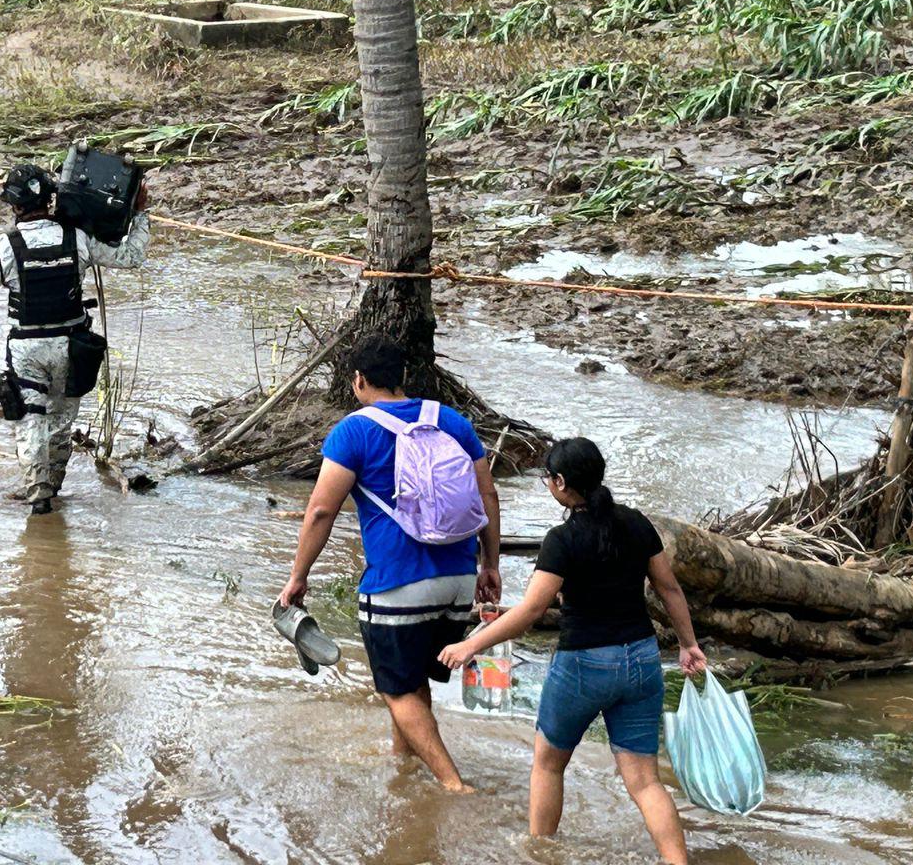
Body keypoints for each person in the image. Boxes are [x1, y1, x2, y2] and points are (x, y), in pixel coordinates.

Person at [438, 437, 707, 865]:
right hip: (641, 659)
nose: (548, 484)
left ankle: (540, 854)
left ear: (561, 482)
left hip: (583, 664)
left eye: (547, 477)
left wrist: (471, 644)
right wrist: (689, 645)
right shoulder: (636, 523)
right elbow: (669, 588)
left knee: (548, 764)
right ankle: (678, 862)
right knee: (644, 782)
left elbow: (531, 611)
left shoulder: (562, 539)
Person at [277, 333, 502, 794]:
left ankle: (453, 786)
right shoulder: (452, 421)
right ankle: (404, 769)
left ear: (358, 380)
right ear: (403, 376)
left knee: (395, 690)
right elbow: (488, 495)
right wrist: (490, 565)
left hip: (398, 584)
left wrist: (299, 577)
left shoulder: (353, 431)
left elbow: (320, 511)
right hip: (459, 581)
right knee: (413, 684)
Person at [0, 163, 150, 516]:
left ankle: (38, 493)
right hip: (72, 347)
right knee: (61, 421)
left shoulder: (4, 246)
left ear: (14, 205)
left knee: (30, 419)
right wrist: (140, 214)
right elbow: (131, 256)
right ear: (50, 199)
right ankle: (53, 489)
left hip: (27, 348)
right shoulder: (78, 237)